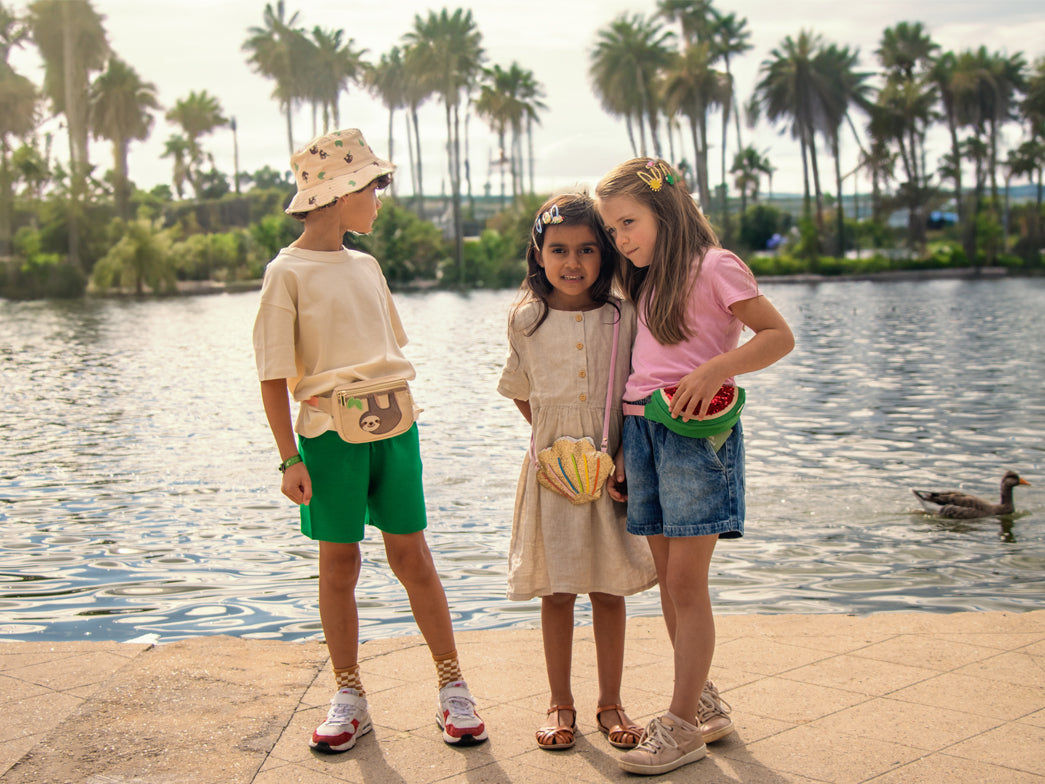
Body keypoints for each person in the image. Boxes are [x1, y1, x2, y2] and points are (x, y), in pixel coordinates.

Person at [252, 129, 487, 754]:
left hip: (396, 428)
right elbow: (273, 378)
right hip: (328, 439)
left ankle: (452, 686)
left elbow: (386, 352)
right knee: (340, 563)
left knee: (414, 557)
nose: (380, 197)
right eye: (374, 186)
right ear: (341, 194)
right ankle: (349, 693)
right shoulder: (286, 274)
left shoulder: (367, 266)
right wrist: (288, 459)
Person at [595, 158, 794, 775]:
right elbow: (638, 367)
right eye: (614, 230)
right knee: (667, 578)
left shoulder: (716, 265)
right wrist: (624, 446)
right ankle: (700, 696)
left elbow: (776, 335)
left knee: (687, 583)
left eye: (629, 222)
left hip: (692, 433)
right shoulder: (646, 278)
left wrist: (714, 369)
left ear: (668, 208)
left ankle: (680, 726)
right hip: (643, 431)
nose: (622, 239)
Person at [497, 193, 658, 752]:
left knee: (609, 589)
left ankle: (610, 702)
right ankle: (559, 701)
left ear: (606, 252)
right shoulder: (525, 320)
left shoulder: (624, 315)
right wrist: (555, 444)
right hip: (553, 477)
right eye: (559, 249)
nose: (573, 262)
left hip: (614, 470)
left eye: (587, 249)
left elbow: (637, 389)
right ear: (538, 255)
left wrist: (618, 456)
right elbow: (523, 393)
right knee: (558, 591)